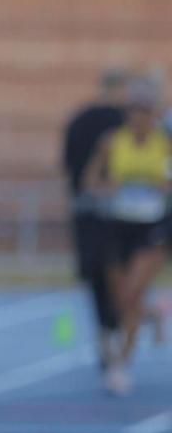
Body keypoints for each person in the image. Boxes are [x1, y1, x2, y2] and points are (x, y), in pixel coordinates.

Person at [84, 77, 171, 396]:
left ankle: (121, 364)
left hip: (152, 228)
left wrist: (162, 188)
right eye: (134, 110)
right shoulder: (112, 142)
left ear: (154, 114)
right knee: (121, 301)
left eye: (145, 110)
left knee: (132, 295)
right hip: (118, 226)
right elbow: (91, 180)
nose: (139, 116)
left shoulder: (165, 143)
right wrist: (109, 189)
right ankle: (155, 313)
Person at [61, 69, 130, 378]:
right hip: (119, 214)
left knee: (100, 282)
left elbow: (66, 168)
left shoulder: (79, 119)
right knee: (116, 281)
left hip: (89, 213)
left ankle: (111, 338)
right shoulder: (126, 122)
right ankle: (116, 341)